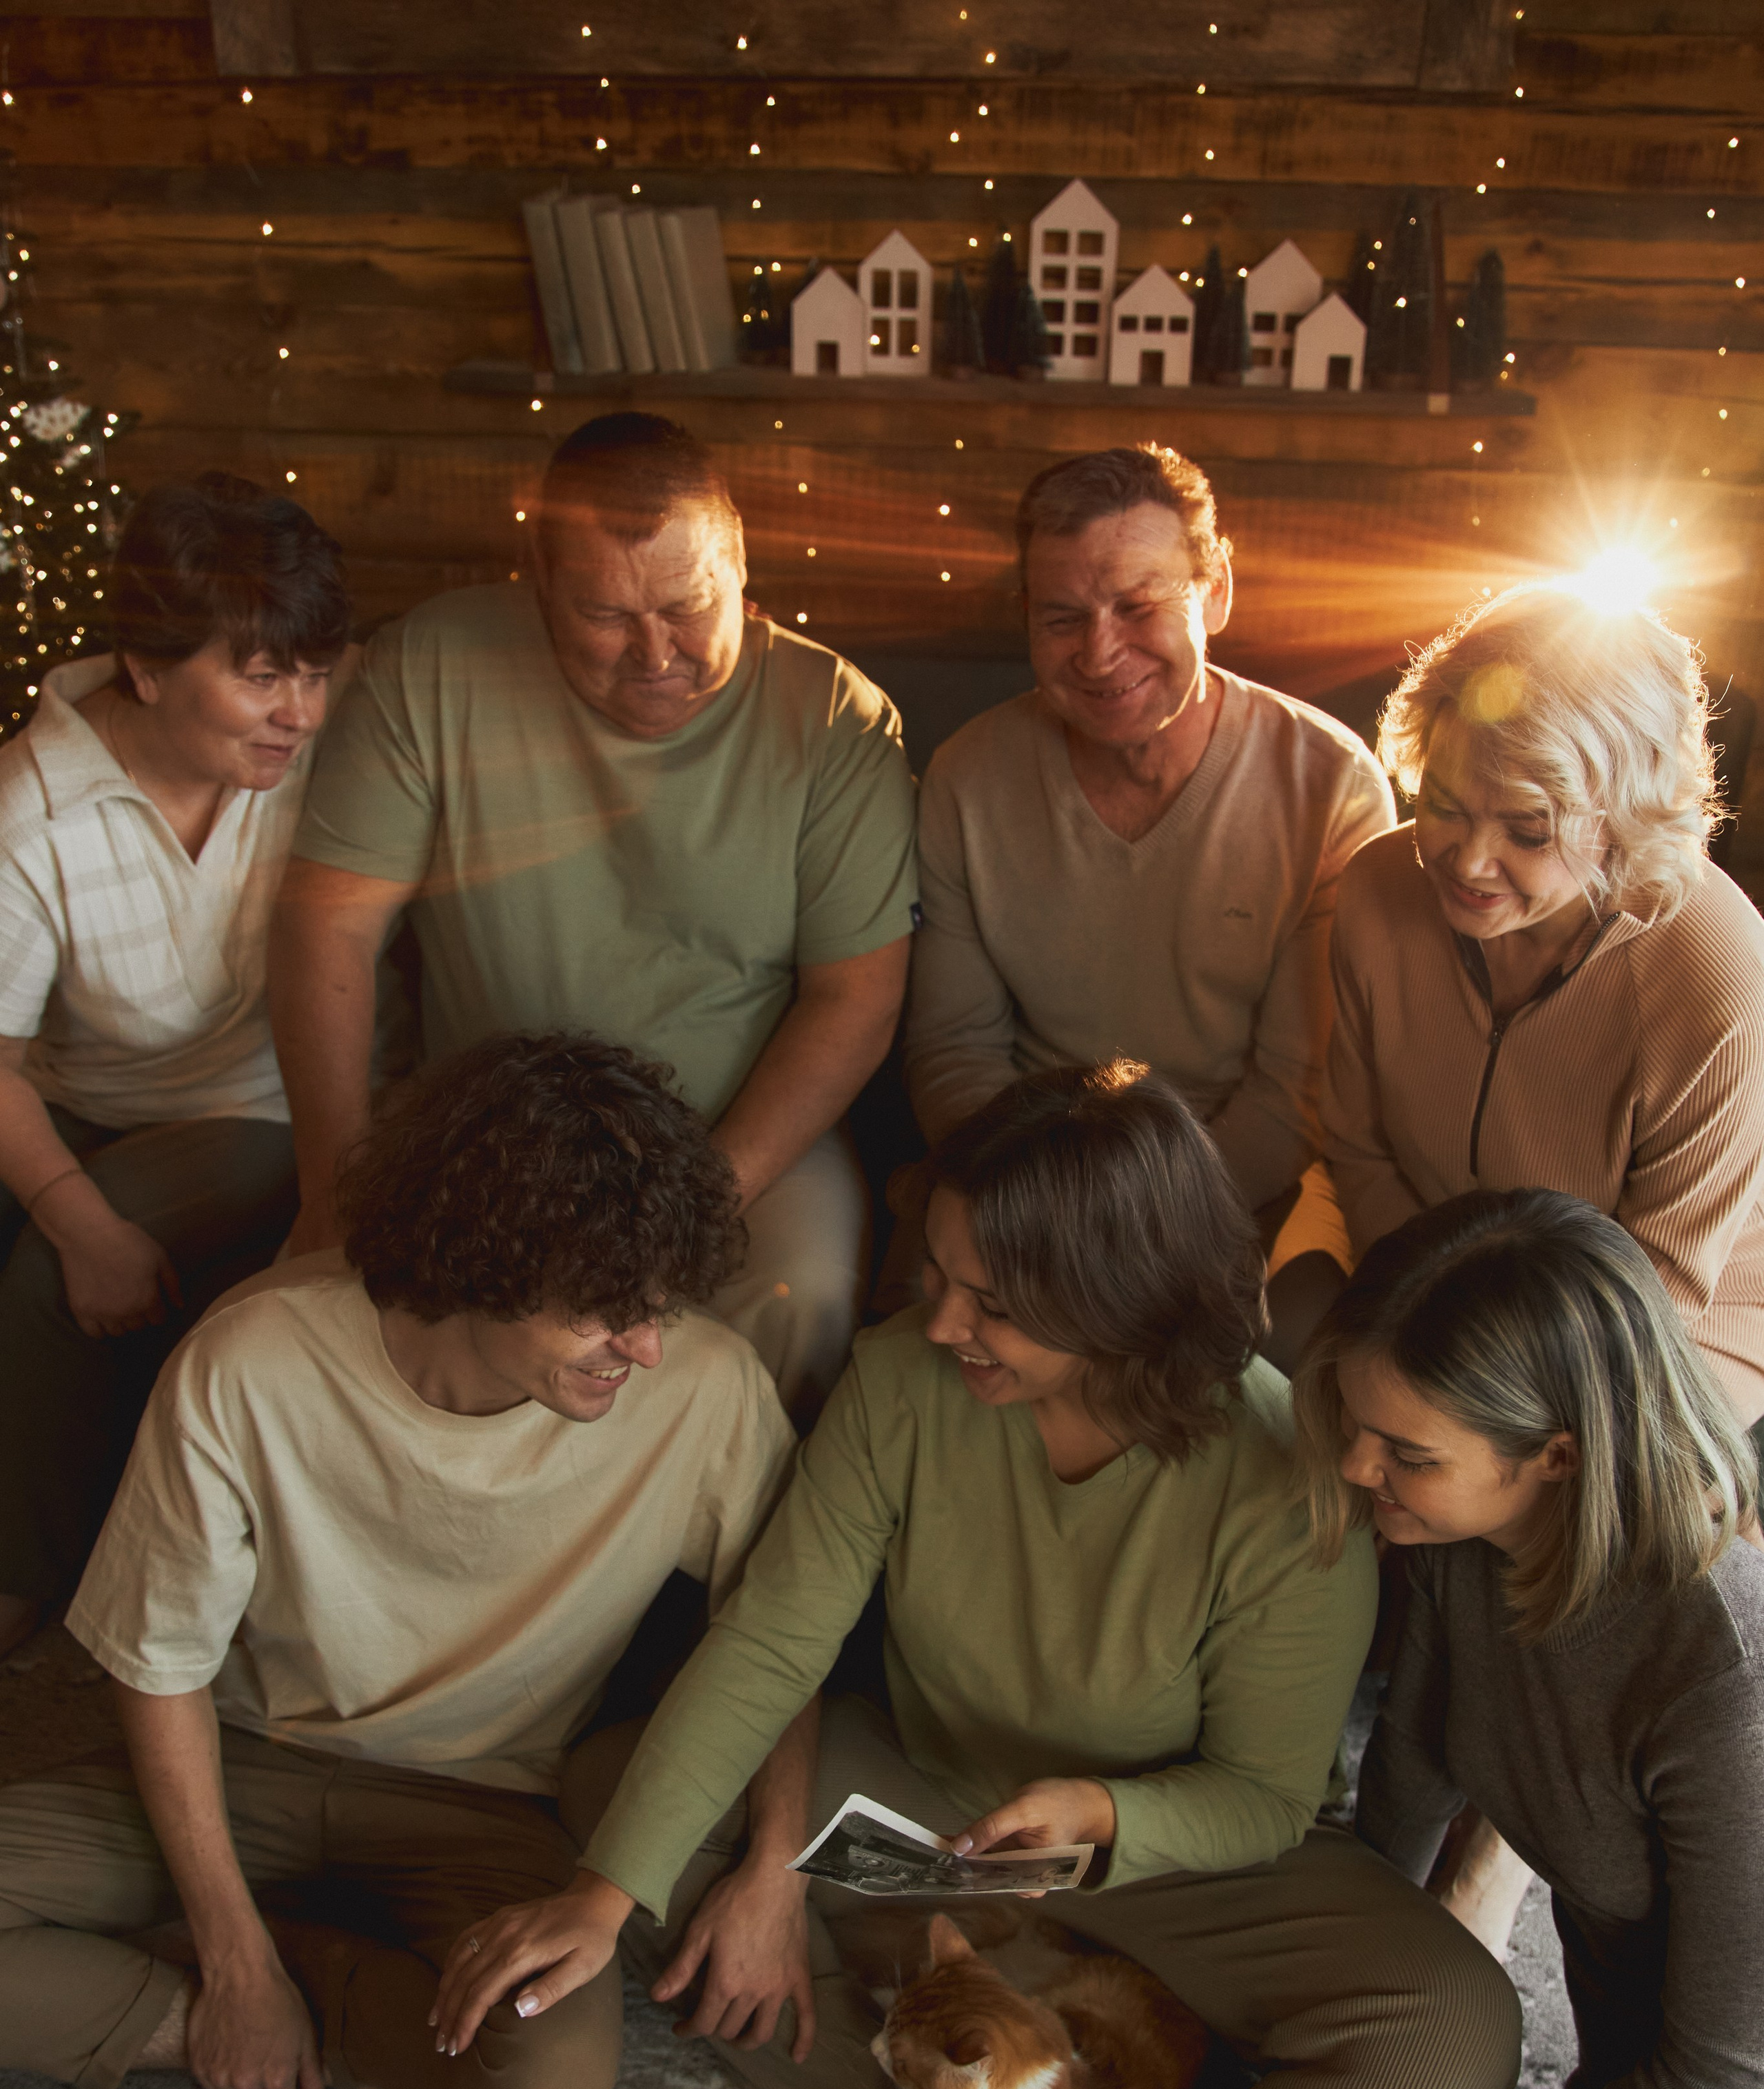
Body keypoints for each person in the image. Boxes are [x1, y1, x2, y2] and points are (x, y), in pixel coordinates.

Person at [423, 1061, 1519, 2089]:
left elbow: (1265, 1796)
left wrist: (1106, 1813)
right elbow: (772, 1639)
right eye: (937, 1280)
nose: (943, 1327)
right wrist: (632, 1890)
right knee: (622, 1800)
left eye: (988, 1304)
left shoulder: (1284, 1479)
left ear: (1126, 1305)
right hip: (938, 1819)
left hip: (1175, 1854)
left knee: (1454, 2031)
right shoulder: (900, 1384)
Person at [0, 1033, 796, 2089]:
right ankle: (232, 1989)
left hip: (486, 1808)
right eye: (606, 1312)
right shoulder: (250, 1359)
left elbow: (778, 1634)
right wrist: (231, 1974)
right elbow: (160, 1665)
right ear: (479, 1261)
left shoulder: (709, 1390)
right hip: (242, 1763)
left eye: (659, 1303)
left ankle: (294, 1965)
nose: (650, 1347)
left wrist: (776, 1862)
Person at [1286, 1188, 1764, 2089]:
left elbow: (1727, 2078)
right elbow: (1409, 1790)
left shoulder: (1717, 1667)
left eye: (1406, 1453)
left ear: (1553, 1458)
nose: (1360, 1469)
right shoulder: (1456, 1544)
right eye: (1358, 1426)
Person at [269, 411, 918, 1420]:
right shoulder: (429, 664)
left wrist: (692, 1208)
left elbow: (857, 998)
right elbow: (329, 928)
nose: (655, 652)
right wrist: (330, 1184)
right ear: (537, 578)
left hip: (734, 1135)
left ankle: (722, 1570)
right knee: (322, 1319)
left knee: (808, 1296)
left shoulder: (837, 717)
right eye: (606, 616)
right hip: (478, 1133)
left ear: (740, 560)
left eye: (689, 605)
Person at [0, 472, 353, 1656]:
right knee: (71, 1257)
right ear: (146, 669)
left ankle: (34, 1584)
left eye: (312, 673)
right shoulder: (30, 811)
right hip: (88, 1109)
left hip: (285, 1106)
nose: (297, 711)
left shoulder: (321, 760)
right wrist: (77, 1217)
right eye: (260, 676)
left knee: (48, 1289)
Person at [902, 444, 1394, 1293]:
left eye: (1137, 607)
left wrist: (1132, 1232)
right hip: (1014, 1186)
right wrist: (1045, 1216)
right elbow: (955, 1051)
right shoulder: (967, 776)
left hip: (1233, 1197)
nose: (1098, 653)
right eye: (1061, 618)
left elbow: (1297, 1096)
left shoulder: (1330, 784)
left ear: (1216, 592)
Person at [1323, 581, 1764, 1432]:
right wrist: (1424, 1316)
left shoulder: (1719, 978)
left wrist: (1470, 1376)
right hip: (1424, 1283)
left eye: (1528, 832)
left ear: (1628, 820)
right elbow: (1358, 1146)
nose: (1470, 863)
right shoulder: (1377, 891)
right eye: (1443, 807)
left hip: (1664, 1335)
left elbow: (1658, 1284)